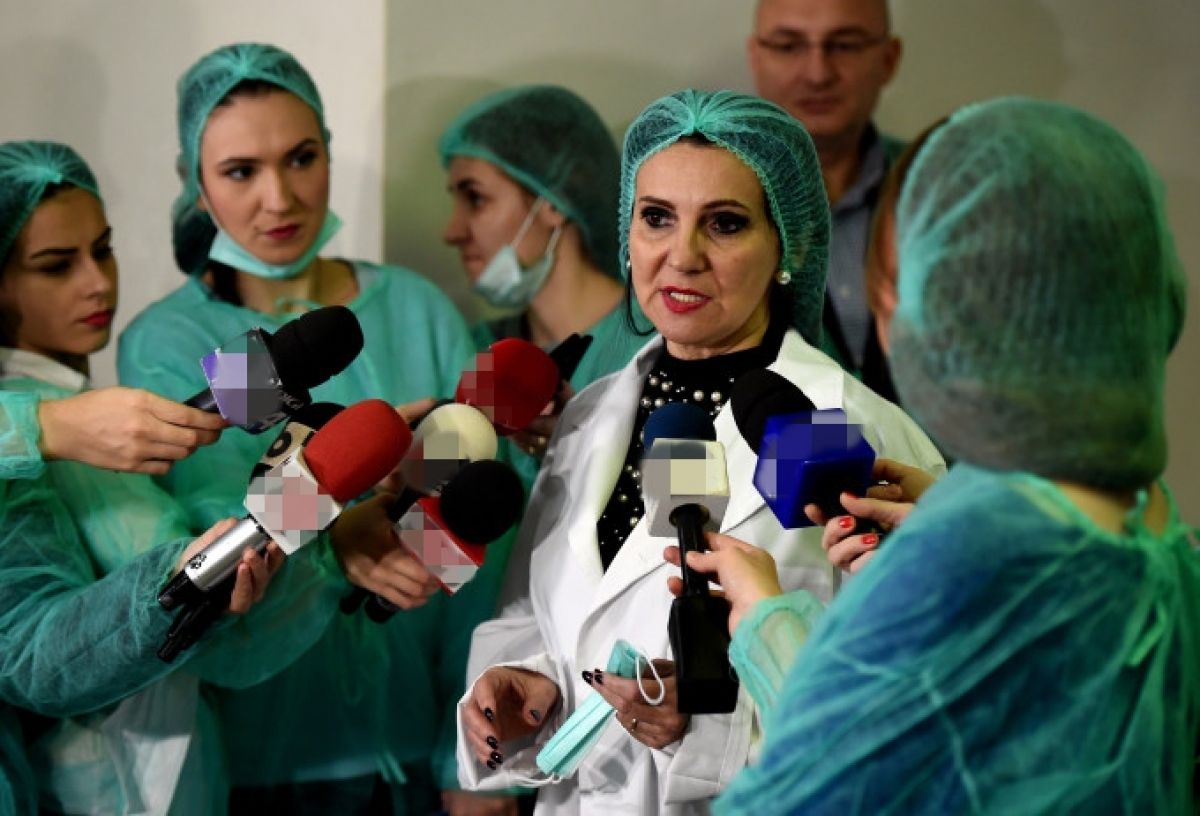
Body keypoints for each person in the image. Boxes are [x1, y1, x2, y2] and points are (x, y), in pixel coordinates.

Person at [686, 98, 1198, 814]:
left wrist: (766, 619)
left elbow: (826, 793)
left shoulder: (966, 561)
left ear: (931, 308)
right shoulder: (1159, 530)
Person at [455, 90, 945, 814]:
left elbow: (913, 703)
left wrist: (710, 725)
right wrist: (523, 685)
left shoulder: (866, 436)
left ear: (790, 244)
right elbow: (536, 608)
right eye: (657, 217)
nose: (681, 257)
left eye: (724, 223)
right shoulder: (591, 416)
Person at [117, 43, 477, 813]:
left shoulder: (417, 310)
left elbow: (489, 537)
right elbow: (209, 532)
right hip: (262, 760)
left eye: (301, 158)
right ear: (196, 184)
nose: (278, 198)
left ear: (329, 153)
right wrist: (335, 543)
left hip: (425, 745)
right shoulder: (172, 344)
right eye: (240, 171)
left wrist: (473, 757)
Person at [0, 139, 293, 814]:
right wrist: (177, 585)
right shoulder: (34, 437)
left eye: (102, 250)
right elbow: (34, 655)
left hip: (189, 767)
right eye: (56, 265)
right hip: (96, 788)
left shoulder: (101, 401)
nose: (98, 283)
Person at [439, 84, 649, 470]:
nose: (451, 232)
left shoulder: (659, 343)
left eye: (476, 199)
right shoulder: (477, 349)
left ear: (552, 202)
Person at [746, 0, 903, 392]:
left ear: (889, 59)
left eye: (845, 45)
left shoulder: (945, 190)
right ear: (756, 57)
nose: (818, 74)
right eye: (789, 46)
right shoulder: (707, 203)